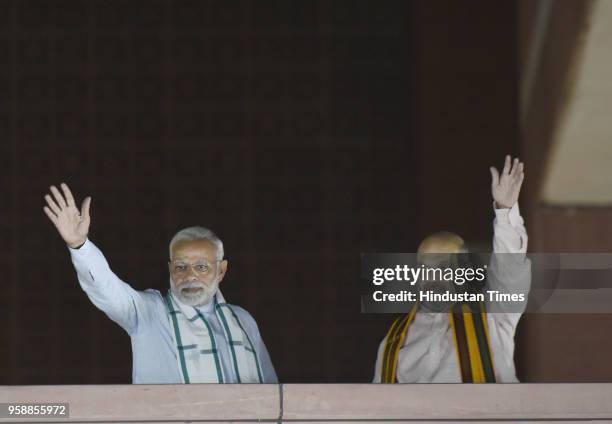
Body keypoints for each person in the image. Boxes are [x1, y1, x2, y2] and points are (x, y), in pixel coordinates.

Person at [43, 183, 277, 384]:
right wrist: (80, 246)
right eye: (181, 267)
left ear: (221, 270)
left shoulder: (243, 322)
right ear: (170, 270)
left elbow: (272, 394)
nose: (190, 276)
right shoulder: (150, 313)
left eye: (202, 267)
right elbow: (107, 290)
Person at [373, 155, 531, 383]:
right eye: (425, 268)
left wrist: (505, 212)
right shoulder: (393, 341)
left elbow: (510, 273)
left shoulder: (493, 317)